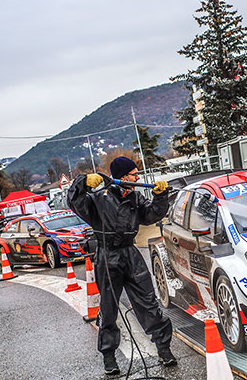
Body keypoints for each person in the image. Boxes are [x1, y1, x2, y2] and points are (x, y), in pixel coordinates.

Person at [67, 156, 175, 375]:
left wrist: (160, 196)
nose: (138, 177)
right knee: (108, 310)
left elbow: (151, 215)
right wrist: (82, 181)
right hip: (108, 257)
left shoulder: (135, 197)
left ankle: (164, 350)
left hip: (130, 254)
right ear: (124, 176)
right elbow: (74, 200)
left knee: (148, 303)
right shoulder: (98, 198)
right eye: (135, 174)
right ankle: (109, 358)